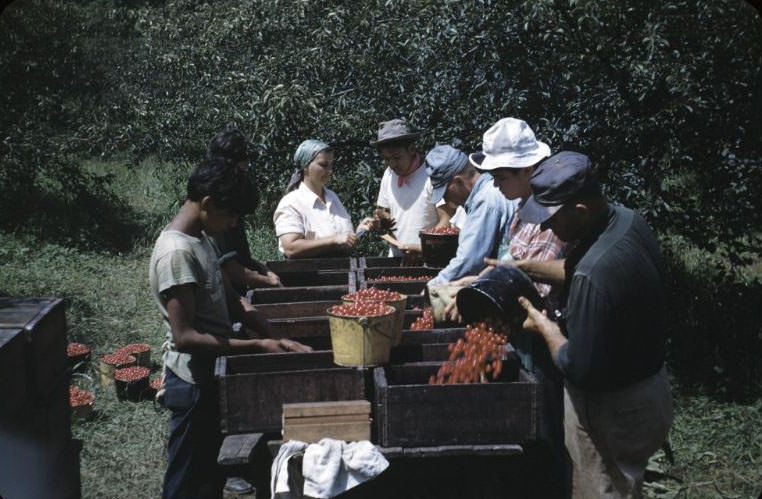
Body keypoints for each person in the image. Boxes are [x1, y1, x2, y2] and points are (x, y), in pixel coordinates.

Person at [149, 158, 311, 498]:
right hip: (190, 384)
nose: (233, 224)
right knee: (185, 481)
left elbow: (231, 297)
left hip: (211, 377)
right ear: (207, 204)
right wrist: (256, 347)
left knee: (208, 476)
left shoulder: (200, 239)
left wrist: (274, 334)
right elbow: (185, 337)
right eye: (231, 215)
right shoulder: (177, 253)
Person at [517, 151, 673, 498]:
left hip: (612, 409)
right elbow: (576, 267)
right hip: (649, 388)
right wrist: (523, 267)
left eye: (551, 219)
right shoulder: (627, 221)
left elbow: (578, 367)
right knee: (626, 481)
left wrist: (545, 326)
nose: (545, 228)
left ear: (581, 210)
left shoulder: (593, 276)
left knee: (601, 487)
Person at [424, 143, 516, 286]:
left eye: (446, 193)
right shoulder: (490, 192)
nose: (446, 200)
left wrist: (432, 287)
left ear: (458, 182)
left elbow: (469, 262)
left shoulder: (485, 201)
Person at [206, 128, 282, 293]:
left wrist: (260, 267)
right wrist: (269, 281)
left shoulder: (231, 202)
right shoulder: (220, 208)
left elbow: (235, 255)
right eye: (242, 169)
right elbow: (231, 268)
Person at [273, 139, 374, 258]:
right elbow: (290, 248)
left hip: (340, 271)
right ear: (306, 166)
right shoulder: (292, 202)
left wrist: (359, 231)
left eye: (331, 165)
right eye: (324, 165)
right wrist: (333, 239)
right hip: (309, 274)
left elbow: (342, 241)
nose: (330, 171)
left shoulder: (332, 197)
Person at [371, 118, 451, 257]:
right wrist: (381, 220)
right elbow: (385, 210)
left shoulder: (431, 174)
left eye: (396, 157)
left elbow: (447, 219)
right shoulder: (388, 175)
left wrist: (422, 248)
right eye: (386, 158)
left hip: (429, 259)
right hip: (397, 259)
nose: (392, 164)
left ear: (411, 149)